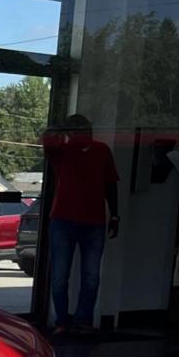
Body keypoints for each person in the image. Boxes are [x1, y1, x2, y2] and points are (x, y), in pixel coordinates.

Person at [44, 114, 120, 334]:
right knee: (59, 276)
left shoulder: (102, 151)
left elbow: (111, 185)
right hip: (63, 220)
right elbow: (47, 139)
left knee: (91, 276)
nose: (82, 134)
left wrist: (115, 215)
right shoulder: (62, 151)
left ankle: (82, 320)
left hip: (93, 222)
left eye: (84, 130)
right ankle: (62, 321)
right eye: (76, 131)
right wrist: (60, 130)